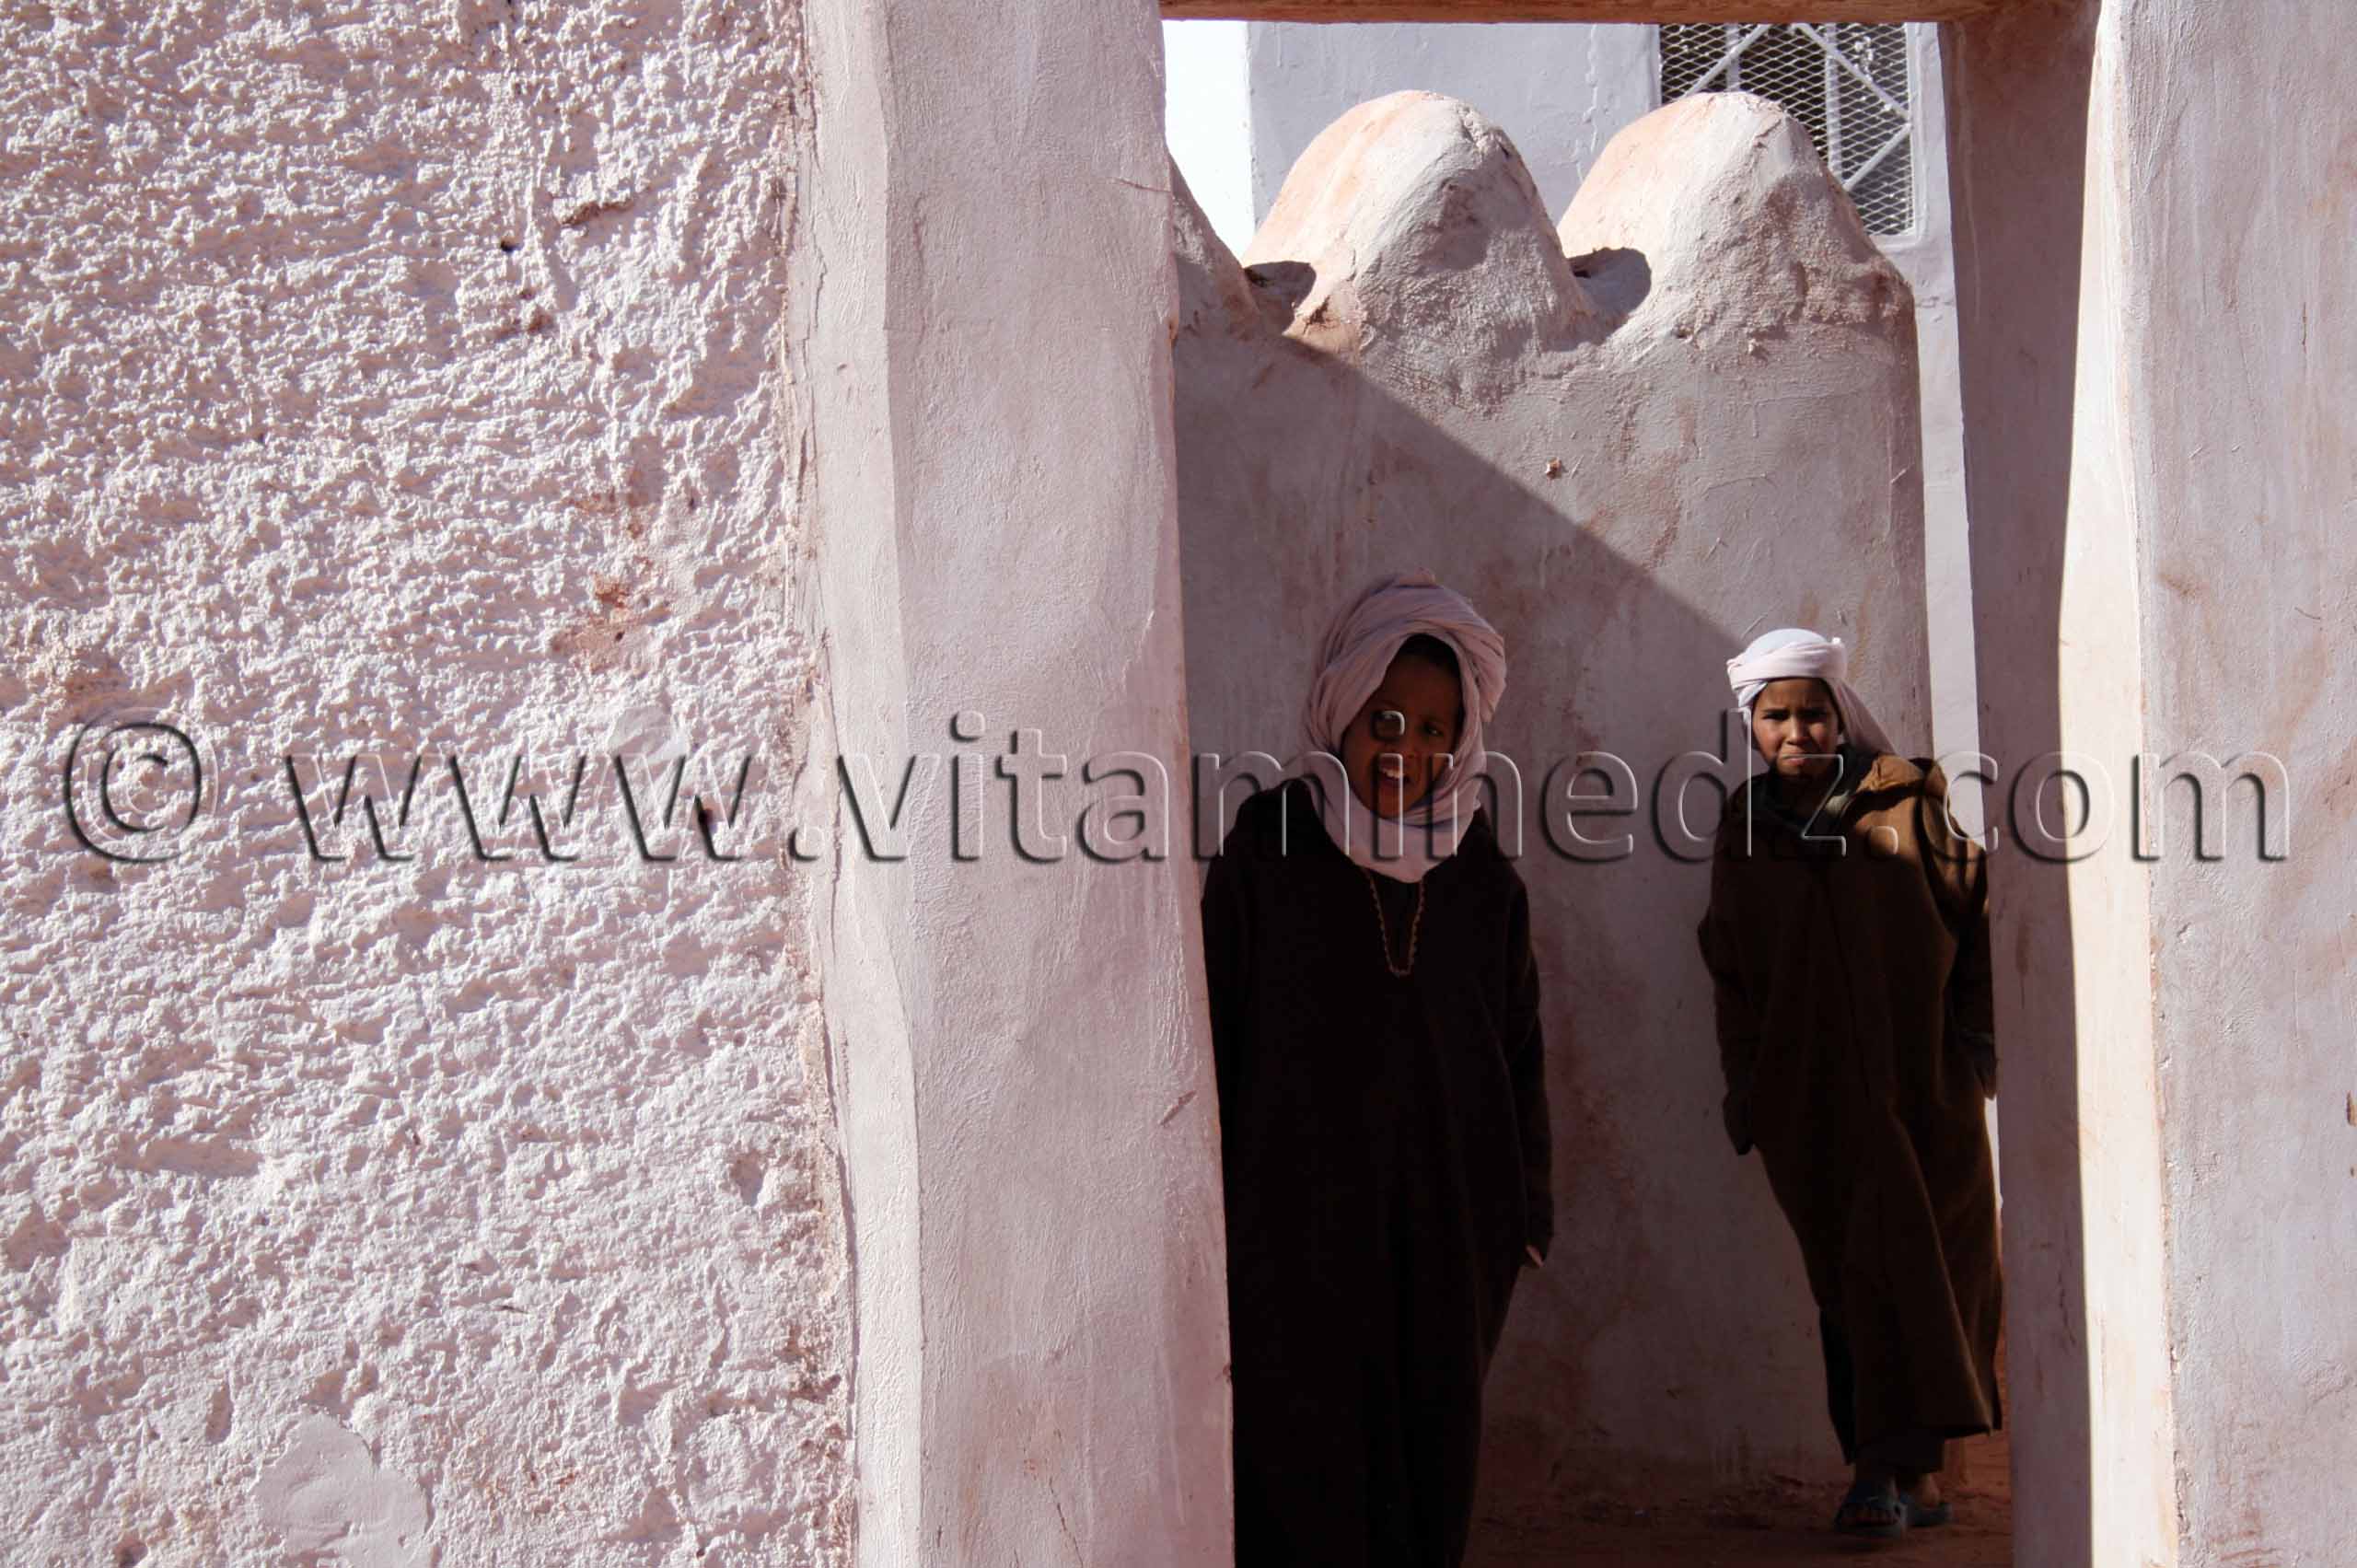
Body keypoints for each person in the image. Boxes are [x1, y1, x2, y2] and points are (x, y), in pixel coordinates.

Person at [1202, 572, 1552, 1567]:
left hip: (1451, 1225)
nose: (1410, 750)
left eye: (1438, 728)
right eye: (1386, 718)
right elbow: (1218, 1022)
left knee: (1429, 1458)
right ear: (1341, 706)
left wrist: (1528, 1212)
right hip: (1293, 1226)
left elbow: (1519, 1044)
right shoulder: (1269, 846)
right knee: (1299, 1463)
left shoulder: (1480, 871)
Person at [1695, 627, 2002, 1539]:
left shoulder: (1909, 804)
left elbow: (1975, 920)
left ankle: (1903, 1472)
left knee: (1938, 1269)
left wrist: (1975, 1049)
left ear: (1838, 714)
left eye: (1813, 712)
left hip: (1921, 1090)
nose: (1797, 731)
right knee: (1849, 1279)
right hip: (1809, 1100)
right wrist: (1746, 1085)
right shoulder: (1744, 831)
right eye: (1776, 715)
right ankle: (1894, 1470)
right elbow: (1730, 968)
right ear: (1750, 725)